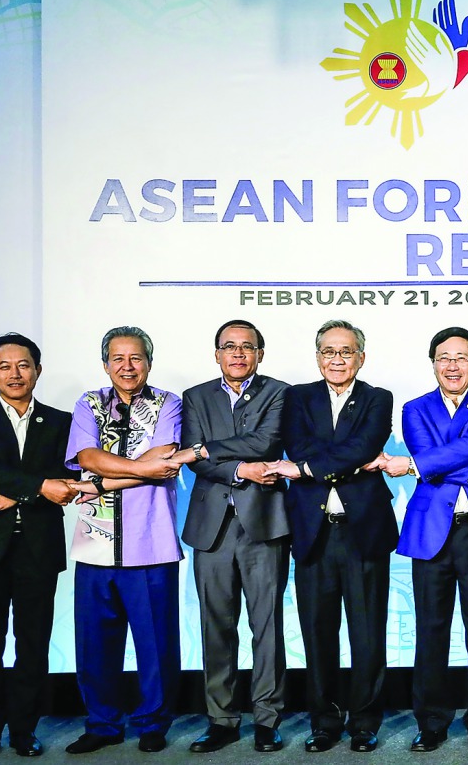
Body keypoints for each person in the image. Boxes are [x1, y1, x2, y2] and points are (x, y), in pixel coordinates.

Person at [384, 327, 468, 753]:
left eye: (461, 357)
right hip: (430, 531)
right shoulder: (414, 407)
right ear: (433, 363)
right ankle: (432, 722)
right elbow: (452, 459)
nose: (453, 365)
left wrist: (413, 465)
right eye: (444, 357)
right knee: (430, 630)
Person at [63, 326, 197, 755]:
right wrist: (134, 471)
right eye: (118, 358)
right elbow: (86, 458)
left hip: (150, 541)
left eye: (135, 358)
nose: (127, 366)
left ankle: (152, 722)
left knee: (156, 643)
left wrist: (97, 481)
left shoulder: (169, 403)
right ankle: (102, 724)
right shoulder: (88, 403)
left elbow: (166, 458)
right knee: (94, 643)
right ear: (105, 364)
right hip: (96, 542)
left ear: (149, 363)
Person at [268, 320, 396, 753]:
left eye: (345, 352)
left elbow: (366, 444)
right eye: (328, 351)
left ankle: (364, 722)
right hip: (313, 531)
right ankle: (323, 721)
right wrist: (337, 462)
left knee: (367, 634)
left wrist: (307, 470)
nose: (336, 359)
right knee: (317, 633)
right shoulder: (297, 397)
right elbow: (298, 445)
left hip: (364, 532)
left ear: (361, 356)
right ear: (317, 355)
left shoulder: (378, 398)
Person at [0, 334, 77, 759]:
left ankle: (25, 730)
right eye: (5, 366)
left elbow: (62, 476)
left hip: (39, 546)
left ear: (38, 371)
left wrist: (18, 493)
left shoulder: (61, 421)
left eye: (23, 365)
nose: (15, 373)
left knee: (33, 643)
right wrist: (38, 487)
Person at [181, 319, 290, 754]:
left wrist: (210, 448)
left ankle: (267, 718)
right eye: (229, 347)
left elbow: (267, 441)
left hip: (264, 524)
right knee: (216, 627)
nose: (238, 354)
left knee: (267, 627)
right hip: (212, 528)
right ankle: (222, 719)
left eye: (248, 347)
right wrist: (239, 469)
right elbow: (193, 456)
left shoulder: (279, 391)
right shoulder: (195, 396)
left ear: (260, 354)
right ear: (216, 354)